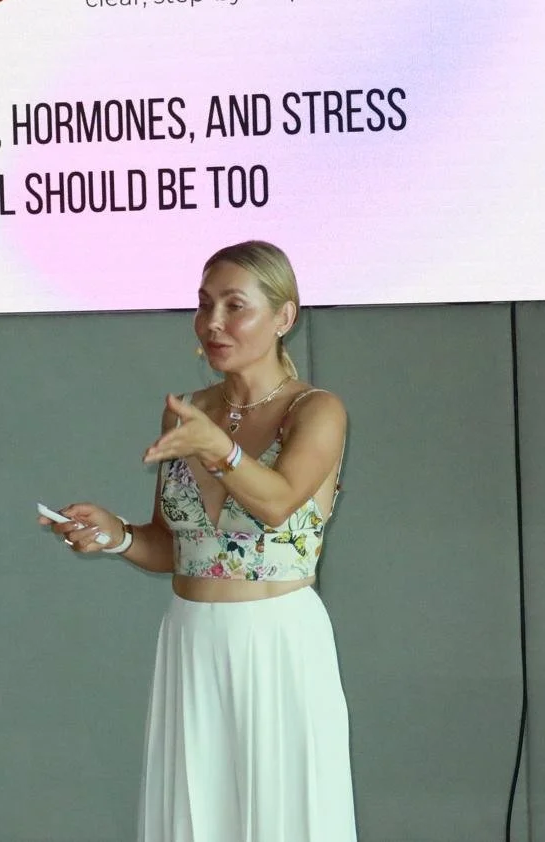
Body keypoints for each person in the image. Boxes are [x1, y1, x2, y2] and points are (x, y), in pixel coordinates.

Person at [40, 240, 357, 841]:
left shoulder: (316, 410)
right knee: (197, 817)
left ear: (284, 318)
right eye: (204, 304)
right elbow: (174, 546)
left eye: (234, 306)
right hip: (191, 639)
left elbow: (276, 502)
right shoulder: (188, 412)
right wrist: (115, 535)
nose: (213, 322)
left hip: (278, 644)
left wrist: (219, 448)